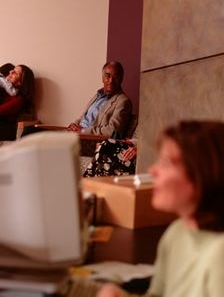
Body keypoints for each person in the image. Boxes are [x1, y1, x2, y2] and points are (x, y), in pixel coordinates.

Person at [97, 121, 224, 297]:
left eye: (166, 163)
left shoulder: (220, 254)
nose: (153, 170)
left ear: (201, 175)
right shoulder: (177, 232)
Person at [67, 61, 132, 137]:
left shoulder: (123, 102)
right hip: (76, 135)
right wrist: (74, 125)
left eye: (116, 77)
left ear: (121, 79)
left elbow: (113, 131)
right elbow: (85, 117)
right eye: (107, 76)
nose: (111, 80)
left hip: (90, 140)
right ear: (102, 78)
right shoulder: (98, 95)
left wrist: (83, 131)